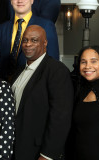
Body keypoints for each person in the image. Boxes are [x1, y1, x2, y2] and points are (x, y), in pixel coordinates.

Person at [11, 25, 73, 160]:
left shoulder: (57, 71)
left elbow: (61, 117)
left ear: (45, 43)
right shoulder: (19, 71)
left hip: (38, 152)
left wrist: (47, 155)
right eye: (25, 40)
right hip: (17, 147)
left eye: (34, 40)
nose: (28, 44)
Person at [0, 0, 59, 79]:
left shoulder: (46, 25)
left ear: (32, 0)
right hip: (4, 85)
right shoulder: (2, 28)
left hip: (33, 84)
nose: (20, 0)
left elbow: (53, 60)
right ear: (11, 1)